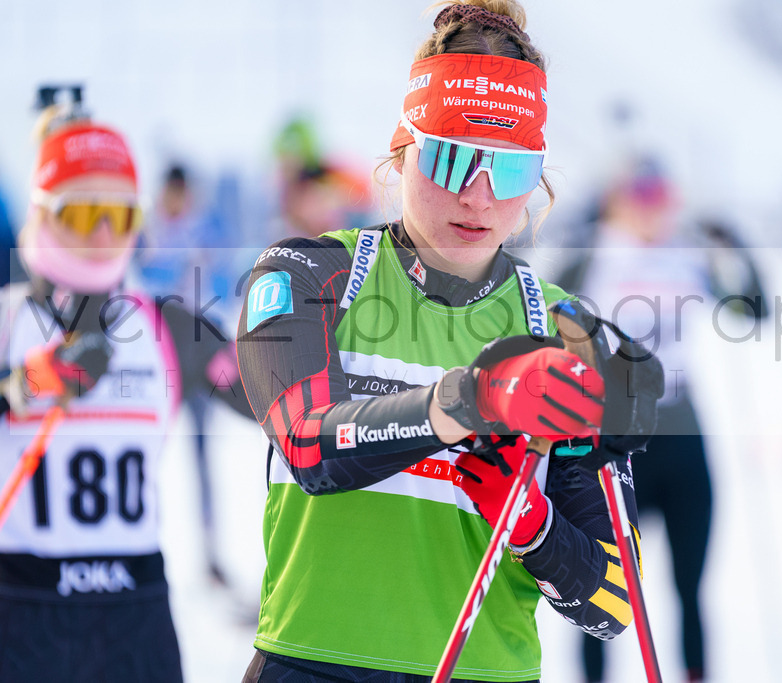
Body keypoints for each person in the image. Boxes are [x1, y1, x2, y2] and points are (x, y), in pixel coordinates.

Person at [236, 2, 649, 681]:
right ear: (403, 150)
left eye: (510, 170)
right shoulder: (311, 272)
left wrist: (534, 526)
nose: (479, 197)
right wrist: (470, 400)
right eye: (453, 160)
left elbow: (611, 604)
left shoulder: (566, 328)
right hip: (314, 662)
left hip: (483, 668)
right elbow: (308, 444)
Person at [0, 94, 254, 682]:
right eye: (84, 214)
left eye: (121, 214)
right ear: (43, 214)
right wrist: (34, 380)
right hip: (23, 607)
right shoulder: (9, 320)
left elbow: (280, 405)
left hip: (133, 613)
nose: (105, 233)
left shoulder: (168, 327)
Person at [558, 157, 766, 683]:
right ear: (617, 200)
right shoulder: (595, 250)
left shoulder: (685, 253)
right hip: (611, 436)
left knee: (690, 587)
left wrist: (736, 246)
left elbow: (755, 308)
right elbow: (534, 307)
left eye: (661, 197)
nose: (652, 210)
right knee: (596, 587)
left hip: (680, 431)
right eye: (639, 197)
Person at [133, 162, 232, 584]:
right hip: (163, 353)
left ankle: (210, 551)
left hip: (198, 353)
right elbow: (140, 280)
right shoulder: (150, 230)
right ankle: (141, 541)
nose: (178, 202)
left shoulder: (200, 230)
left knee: (203, 454)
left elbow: (220, 283)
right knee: (149, 447)